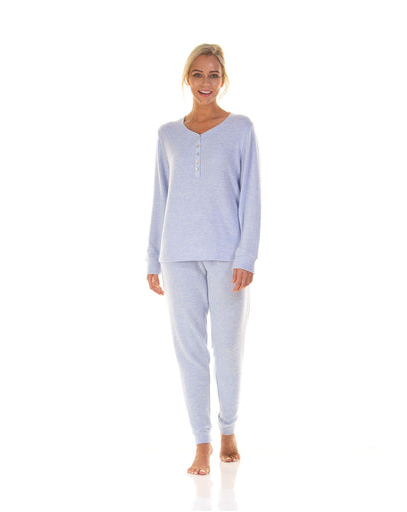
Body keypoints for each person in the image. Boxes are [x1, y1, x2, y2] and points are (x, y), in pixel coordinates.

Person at [145, 43, 261, 476]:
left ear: (223, 79)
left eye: (213, 74)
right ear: (187, 79)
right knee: (189, 351)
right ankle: (201, 441)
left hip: (227, 256)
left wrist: (246, 254)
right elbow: (160, 197)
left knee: (228, 348)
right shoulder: (168, 135)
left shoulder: (241, 129)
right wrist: (153, 258)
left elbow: (251, 196)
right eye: (197, 74)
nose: (205, 82)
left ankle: (228, 428)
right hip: (177, 256)